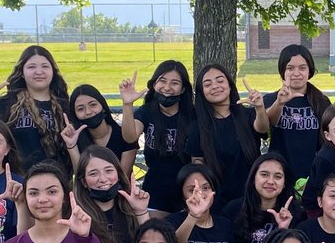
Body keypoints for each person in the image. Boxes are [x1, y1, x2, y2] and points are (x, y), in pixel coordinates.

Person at [0, 46, 74, 174]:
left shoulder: (65, 107)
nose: (39, 72)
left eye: (45, 66)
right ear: (22, 73)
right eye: (31, 67)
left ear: (53, 71)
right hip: (16, 184)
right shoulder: (7, 104)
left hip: (57, 185)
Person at [118, 60, 195, 212]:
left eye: (174, 83)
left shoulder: (193, 115)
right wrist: (127, 105)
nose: (167, 87)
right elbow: (130, 137)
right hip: (155, 188)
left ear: (182, 89)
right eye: (162, 81)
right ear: (154, 85)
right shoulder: (147, 111)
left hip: (186, 189)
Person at [223, 153, 305, 243]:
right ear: (253, 178)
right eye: (264, 174)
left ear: (285, 183)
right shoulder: (233, 210)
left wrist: (283, 229)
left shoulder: (295, 214)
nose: (271, 181)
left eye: (278, 177)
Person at [189, 63, 269, 204]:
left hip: (250, 198)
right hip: (216, 199)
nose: (215, 86)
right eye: (207, 84)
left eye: (220, 81)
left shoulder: (247, 115)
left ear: (230, 85)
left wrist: (259, 107)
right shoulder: (198, 126)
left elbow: (262, 128)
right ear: (202, 92)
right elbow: (197, 161)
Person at [264, 44, 332, 182]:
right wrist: (280, 103)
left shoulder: (321, 101)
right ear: (282, 71)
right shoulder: (271, 99)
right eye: (290, 68)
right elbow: (266, 125)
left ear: (309, 71)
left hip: (314, 174)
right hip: (279, 175)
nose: (296, 73)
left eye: (302, 68)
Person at [67, 83, 137, 179]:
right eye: (80, 109)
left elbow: (123, 177)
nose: (88, 112)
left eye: (93, 105)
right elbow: (80, 178)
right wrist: (72, 146)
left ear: (103, 106)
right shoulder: (76, 139)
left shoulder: (124, 135)